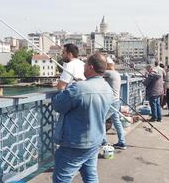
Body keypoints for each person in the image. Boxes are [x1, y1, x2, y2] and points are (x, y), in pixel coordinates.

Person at [52, 52, 113, 183]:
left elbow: (58, 105)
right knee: (90, 176)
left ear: (90, 67)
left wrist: (66, 89)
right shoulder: (107, 88)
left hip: (75, 143)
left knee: (61, 179)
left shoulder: (79, 88)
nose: (84, 68)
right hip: (95, 140)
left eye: (85, 65)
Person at [102, 57, 126, 149]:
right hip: (116, 101)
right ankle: (122, 142)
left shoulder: (109, 73)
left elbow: (96, 74)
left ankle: (103, 142)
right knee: (117, 122)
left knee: (101, 120)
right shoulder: (116, 73)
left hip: (111, 102)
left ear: (107, 65)